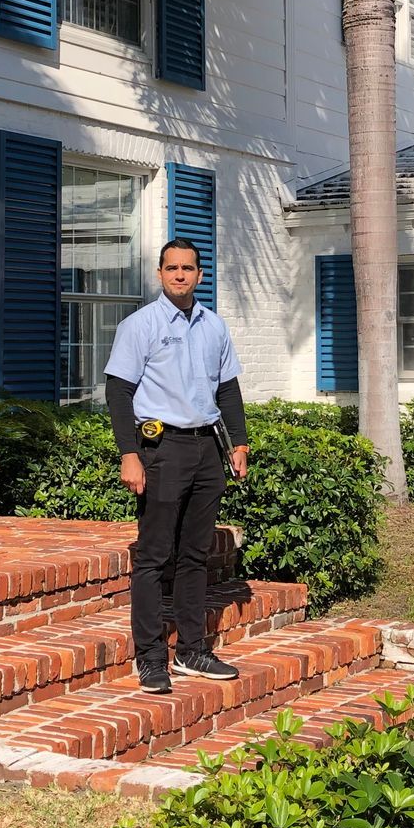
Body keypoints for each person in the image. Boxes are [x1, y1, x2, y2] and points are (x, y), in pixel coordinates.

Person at [103, 236, 250, 693]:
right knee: (153, 557)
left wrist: (238, 443)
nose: (180, 275)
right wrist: (130, 454)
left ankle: (192, 650)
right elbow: (118, 392)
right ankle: (150, 658)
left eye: (188, 268)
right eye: (172, 268)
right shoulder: (140, 326)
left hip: (207, 449)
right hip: (161, 450)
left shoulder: (214, 327)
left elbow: (227, 390)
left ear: (200, 275)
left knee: (194, 555)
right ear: (161, 274)